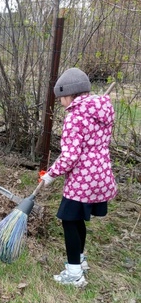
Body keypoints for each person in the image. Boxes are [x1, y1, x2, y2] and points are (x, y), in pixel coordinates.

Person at [41, 68, 117, 286]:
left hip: (83, 178)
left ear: (70, 94)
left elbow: (70, 156)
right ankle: (80, 260)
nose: (62, 103)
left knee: (68, 220)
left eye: (61, 98)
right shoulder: (100, 109)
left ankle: (74, 274)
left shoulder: (75, 117)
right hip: (100, 174)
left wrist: (50, 175)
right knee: (76, 219)